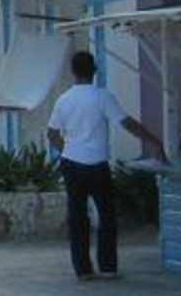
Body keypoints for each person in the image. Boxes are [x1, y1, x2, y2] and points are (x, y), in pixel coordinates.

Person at [46, 50, 168, 282]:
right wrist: (154, 141)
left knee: (78, 216)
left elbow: (52, 134)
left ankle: (83, 269)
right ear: (94, 70)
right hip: (97, 163)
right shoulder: (102, 97)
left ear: (73, 72)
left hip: (72, 163)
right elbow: (126, 123)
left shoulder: (63, 99)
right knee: (107, 214)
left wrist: (68, 150)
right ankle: (108, 266)